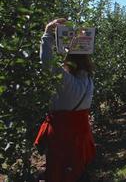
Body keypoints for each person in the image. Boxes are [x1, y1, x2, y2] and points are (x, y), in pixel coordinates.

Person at [34, 18, 96, 182]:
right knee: (75, 172)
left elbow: (47, 63)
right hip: (81, 136)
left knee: (58, 173)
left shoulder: (66, 80)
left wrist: (47, 34)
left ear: (68, 59)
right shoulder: (89, 80)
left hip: (62, 138)